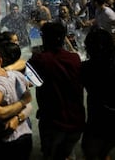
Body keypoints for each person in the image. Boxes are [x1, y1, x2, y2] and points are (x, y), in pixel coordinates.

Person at [28, 22, 85, 160]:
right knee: (68, 153)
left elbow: (28, 82)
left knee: (50, 155)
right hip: (76, 121)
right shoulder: (75, 58)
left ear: (44, 38)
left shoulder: (40, 59)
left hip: (53, 123)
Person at [81, 27, 115, 160]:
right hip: (111, 117)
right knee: (105, 150)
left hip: (97, 119)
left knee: (90, 152)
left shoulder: (85, 68)